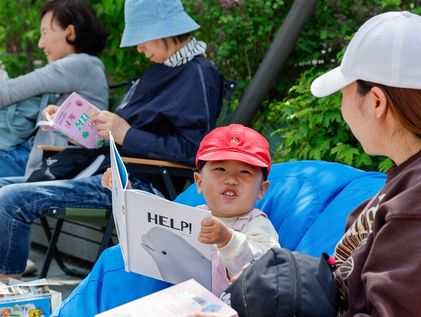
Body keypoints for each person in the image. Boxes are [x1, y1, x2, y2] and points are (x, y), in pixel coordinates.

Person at [190, 10, 421, 317]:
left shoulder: (414, 203)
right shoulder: (403, 176)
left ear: (376, 101)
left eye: (343, 92)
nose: (341, 106)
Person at [0, 0, 224, 279]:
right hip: (106, 169)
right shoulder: (162, 70)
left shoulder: (198, 75)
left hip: (134, 182)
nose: (139, 48)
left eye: (141, 40)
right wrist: (78, 123)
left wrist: (126, 133)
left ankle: (8, 292)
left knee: (10, 197)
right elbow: (121, 133)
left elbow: (194, 152)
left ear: (163, 32)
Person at [102, 124, 280, 296]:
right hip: (180, 300)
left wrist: (228, 239)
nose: (231, 179)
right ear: (199, 182)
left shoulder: (256, 223)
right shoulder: (193, 215)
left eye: (244, 172)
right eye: (220, 169)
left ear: (261, 190)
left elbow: (266, 270)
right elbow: (153, 225)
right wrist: (126, 194)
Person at [0, 0, 108, 177]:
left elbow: (9, 91)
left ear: (70, 33)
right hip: (43, 160)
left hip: (52, 166)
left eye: (45, 33)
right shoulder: (86, 68)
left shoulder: (80, 65)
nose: (41, 44)